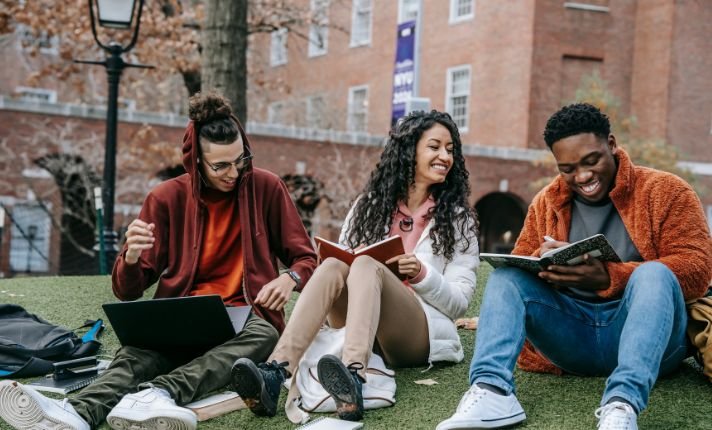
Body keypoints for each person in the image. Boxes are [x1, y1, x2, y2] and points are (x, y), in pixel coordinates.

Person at [0, 91, 317, 430]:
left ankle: (159, 394)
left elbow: (305, 257)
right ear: (196, 160)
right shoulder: (166, 198)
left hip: (245, 314)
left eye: (241, 160)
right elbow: (127, 291)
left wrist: (289, 279)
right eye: (221, 165)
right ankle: (74, 413)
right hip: (181, 312)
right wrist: (132, 257)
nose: (234, 173)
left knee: (266, 336)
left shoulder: (267, 187)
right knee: (137, 355)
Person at [437, 103, 712, 430]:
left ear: (611, 144)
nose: (582, 177)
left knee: (654, 273)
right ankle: (491, 389)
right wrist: (546, 261)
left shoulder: (667, 191)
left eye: (591, 161)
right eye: (567, 168)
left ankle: (621, 405)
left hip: (650, 340)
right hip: (571, 338)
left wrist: (611, 276)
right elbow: (523, 263)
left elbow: (698, 269)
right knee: (507, 276)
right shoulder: (546, 201)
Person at [231, 110, 480, 421]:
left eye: (450, 149)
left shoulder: (457, 219)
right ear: (409, 151)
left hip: (416, 334)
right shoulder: (369, 206)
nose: (445, 156)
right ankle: (275, 372)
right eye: (434, 146)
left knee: (366, 266)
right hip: (357, 324)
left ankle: (354, 377)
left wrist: (421, 273)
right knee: (336, 264)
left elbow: (458, 303)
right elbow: (342, 268)